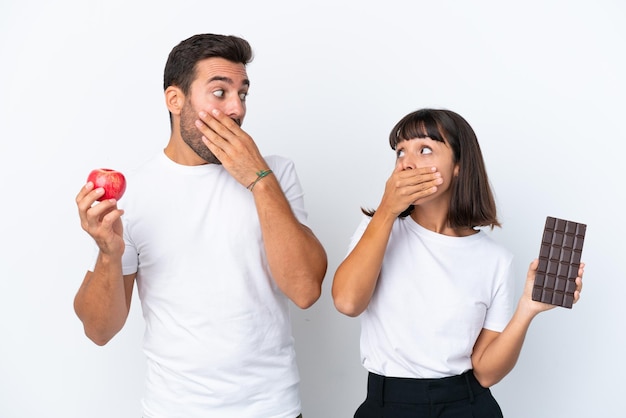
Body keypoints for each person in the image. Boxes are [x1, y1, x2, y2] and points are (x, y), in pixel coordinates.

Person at [74, 33, 327, 418]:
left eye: (242, 94)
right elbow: (99, 330)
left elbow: (306, 289)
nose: (236, 109)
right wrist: (108, 254)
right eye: (220, 92)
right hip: (174, 409)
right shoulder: (134, 193)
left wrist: (259, 179)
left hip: (272, 408)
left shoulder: (276, 173)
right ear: (175, 100)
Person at [331, 108, 584, 417]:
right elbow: (347, 302)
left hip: (466, 405)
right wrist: (386, 210)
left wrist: (527, 309)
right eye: (400, 153)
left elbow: (486, 373)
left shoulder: (496, 260)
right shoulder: (378, 230)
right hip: (388, 404)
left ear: (458, 168)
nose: (406, 163)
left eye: (424, 149)